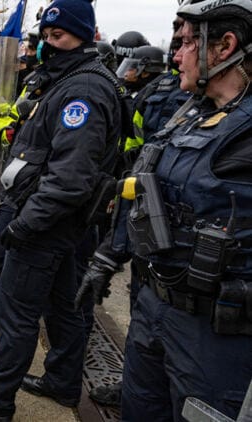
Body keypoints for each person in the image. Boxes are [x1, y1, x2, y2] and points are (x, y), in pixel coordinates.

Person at [0, 0, 123, 419]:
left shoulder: (83, 88)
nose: (48, 45)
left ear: (86, 36)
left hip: (48, 222)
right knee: (63, 306)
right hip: (59, 222)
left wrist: (25, 225)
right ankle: (63, 382)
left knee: (17, 312)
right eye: (45, 36)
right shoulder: (71, 79)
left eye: (58, 36)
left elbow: (71, 176)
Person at [100, 1, 252, 419]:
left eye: (187, 43)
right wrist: (109, 255)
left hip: (215, 334)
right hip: (154, 308)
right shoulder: (188, 114)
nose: (176, 54)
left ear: (225, 46)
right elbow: (144, 191)